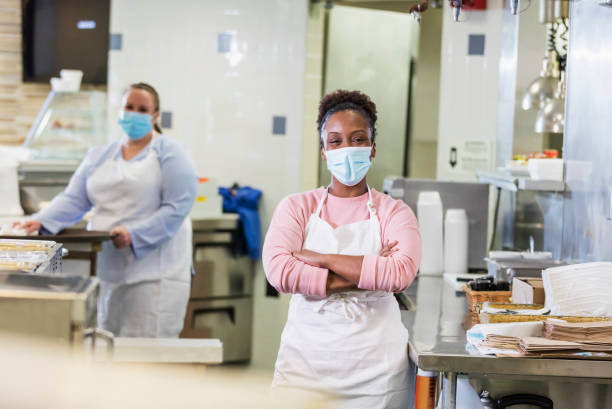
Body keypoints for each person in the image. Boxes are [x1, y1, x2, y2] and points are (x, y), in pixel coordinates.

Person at [262, 90, 422, 409]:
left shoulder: (395, 211)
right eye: (335, 141)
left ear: (372, 148)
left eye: (358, 139)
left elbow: (402, 273)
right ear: (324, 151)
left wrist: (319, 259)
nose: (346, 149)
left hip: (376, 373)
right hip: (304, 368)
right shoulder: (297, 207)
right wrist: (373, 270)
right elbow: (279, 271)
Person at [18, 83, 197, 338]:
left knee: (146, 351)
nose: (134, 113)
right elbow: (75, 199)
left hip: (155, 271)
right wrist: (39, 221)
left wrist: (135, 234)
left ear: (155, 115)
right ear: (120, 110)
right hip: (109, 266)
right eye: (129, 107)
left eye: (142, 109)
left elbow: (178, 206)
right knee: (106, 342)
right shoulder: (100, 155)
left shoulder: (170, 152)